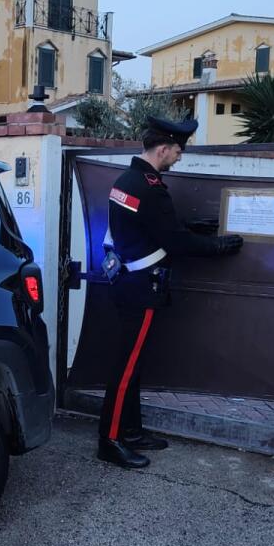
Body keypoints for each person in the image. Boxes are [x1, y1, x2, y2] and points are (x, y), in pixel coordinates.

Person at [97, 117, 244, 469]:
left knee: (133, 365)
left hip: (127, 283)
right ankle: (110, 439)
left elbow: (146, 226)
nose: (178, 157)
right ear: (163, 148)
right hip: (142, 287)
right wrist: (219, 245)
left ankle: (131, 430)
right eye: (177, 151)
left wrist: (189, 226)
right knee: (127, 367)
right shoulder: (150, 186)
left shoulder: (126, 180)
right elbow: (174, 242)